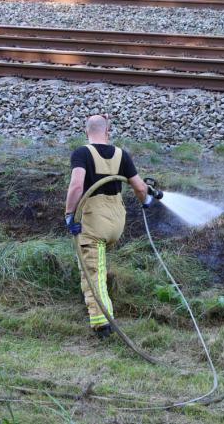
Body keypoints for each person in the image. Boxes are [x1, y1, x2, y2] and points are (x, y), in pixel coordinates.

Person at [64, 115, 155, 339]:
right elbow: (140, 188)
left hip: (95, 219)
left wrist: (69, 215)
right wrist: (146, 201)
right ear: (107, 132)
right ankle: (102, 312)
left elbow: (76, 186)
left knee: (93, 272)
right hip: (116, 219)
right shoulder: (121, 154)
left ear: (87, 132)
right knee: (99, 266)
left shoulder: (82, 153)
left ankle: (102, 324)